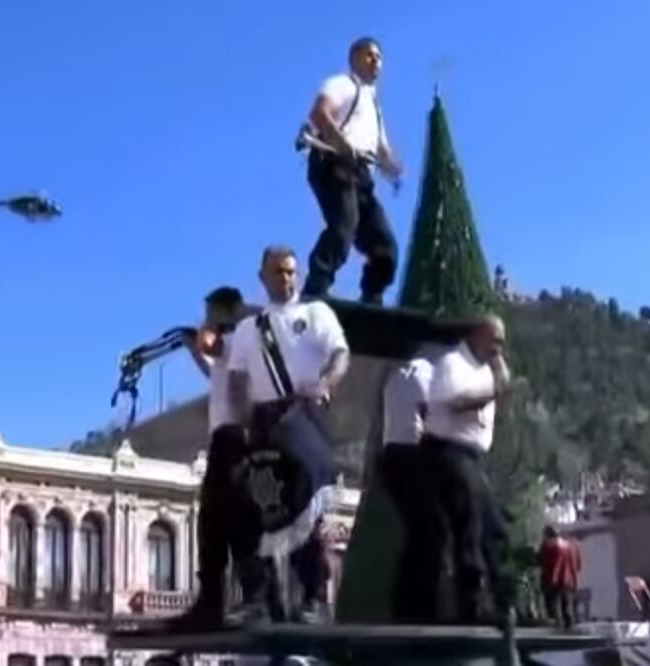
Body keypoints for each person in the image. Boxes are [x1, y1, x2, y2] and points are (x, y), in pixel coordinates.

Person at [227, 245, 350, 624]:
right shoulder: (249, 329)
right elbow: (235, 378)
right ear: (263, 276)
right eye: (279, 272)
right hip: (264, 421)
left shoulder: (316, 313)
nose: (287, 278)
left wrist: (326, 384)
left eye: (291, 271)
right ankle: (259, 598)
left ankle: (314, 596)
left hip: (302, 411)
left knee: (303, 500)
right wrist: (243, 416)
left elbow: (340, 355)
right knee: (257, 502)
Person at [162, 287, 257, 632]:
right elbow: (211, 366)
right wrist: (192, 345)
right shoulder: (233, 346)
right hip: (226, 437)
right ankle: (213, 603)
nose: (208, 320)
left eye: (212, 312)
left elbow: (207, 343)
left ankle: (248, 600)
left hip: (237, 438)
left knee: (232, 519)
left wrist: (206, 325)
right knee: (215, 522)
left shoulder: (242, 340)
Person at [422, 315, 522, 625]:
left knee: (495, 528)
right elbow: (456, 402)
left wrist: (499, 369)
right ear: (478, 335)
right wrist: (494, 393)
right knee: (471, 523)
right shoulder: (452, 364)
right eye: (495, 340)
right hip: (447, 450)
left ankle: (504, 600)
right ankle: (473, 603)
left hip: (473, 456)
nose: (499, 347)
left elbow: (501, 386)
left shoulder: (486, 368)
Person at [300, 37, 403, 305]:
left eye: (379, 57)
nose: (375, 62)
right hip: (334, 163)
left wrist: (393, 166)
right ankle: (315, 290)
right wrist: (342, 144)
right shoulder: (343, 85)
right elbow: (319, 114)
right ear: (354, 58)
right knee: (344, 226)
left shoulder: (373, 106)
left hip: (361, 175)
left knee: (385, 247)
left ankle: (372, 299)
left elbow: (381, 151)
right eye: (369, 55)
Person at [378, 348, 438, 622]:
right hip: (412, 454)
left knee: (417, 532)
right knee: (430, 532)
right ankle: (419, 606)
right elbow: (432, 416)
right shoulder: (424, 373)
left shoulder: (394, 376)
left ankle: (406, 604)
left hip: (390, 456)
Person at [538, 526, 582, 629]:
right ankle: (568, 628)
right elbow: (578, 565)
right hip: (568, 581)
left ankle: (557, 627)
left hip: (552, 581)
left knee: (553, 608)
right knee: (566, 608)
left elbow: (541, 561)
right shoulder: (573, 546)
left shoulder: (547, 546)